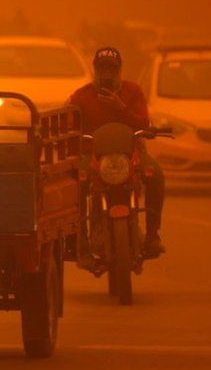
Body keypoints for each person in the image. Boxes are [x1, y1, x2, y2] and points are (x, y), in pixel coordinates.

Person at [67, 46, 166, 257]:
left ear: (120, 70)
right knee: (77, 182)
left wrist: (120, 107)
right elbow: (69, 127)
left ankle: (152, 236)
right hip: (93, 158)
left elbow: (143, 123)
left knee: (156, 176)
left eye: (112, 69)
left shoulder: (133, 92)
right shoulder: (81, 97)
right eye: (102, 69)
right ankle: (81, 239)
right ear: (94, 69)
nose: (107, 74)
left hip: (132, 156)